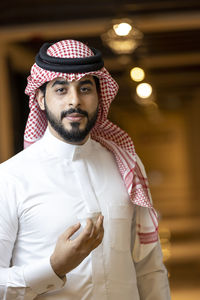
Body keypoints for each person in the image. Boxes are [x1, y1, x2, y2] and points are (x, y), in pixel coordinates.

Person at [0, 40, 171, 300]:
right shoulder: (11, 178)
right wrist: (54, 268)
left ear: (99, 97)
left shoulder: (126, 165)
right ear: (40, 99)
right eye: (61, 90)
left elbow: (149, 269)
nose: (75, 101)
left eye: (85, 88)